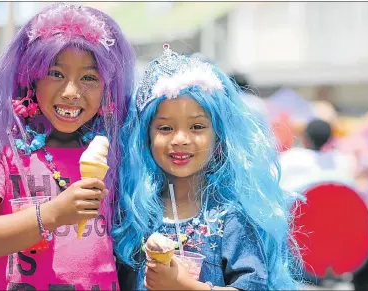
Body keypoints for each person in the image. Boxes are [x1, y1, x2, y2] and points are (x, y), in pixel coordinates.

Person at [0, 3, 135, 290]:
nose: (71, 93)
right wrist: (52, 214)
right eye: (56, 73)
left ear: (108, 87)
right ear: (30, 77)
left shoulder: (116, 151)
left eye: (89, 77)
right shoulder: (1, 148)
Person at [112, 45, 303, 290]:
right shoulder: (135, 215)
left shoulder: (230, 217)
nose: (180, 139)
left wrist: (184, 285)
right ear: (146, 138)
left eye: (197, 127)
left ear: (220, 138)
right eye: (165, 128)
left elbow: (252, 285)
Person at [279, 118, 357, 192]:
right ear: (329, 139)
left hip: (298, 205)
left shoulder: (291, 157)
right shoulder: (342, 161)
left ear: (306, 138)